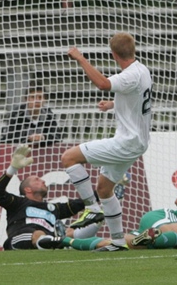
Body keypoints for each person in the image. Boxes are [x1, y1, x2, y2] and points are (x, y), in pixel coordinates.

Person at [61, 32, 153, 252]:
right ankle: (118, 241)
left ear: (113, 54)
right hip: (136, 141)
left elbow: (102, 83)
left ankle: (92, 208)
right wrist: (113, 104)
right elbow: (135, 98)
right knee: (104, 188)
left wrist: (81, 58)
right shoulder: (142, 70)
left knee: (69, 157)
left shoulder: (129, 75)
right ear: (133, 49)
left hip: (127, 142)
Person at [0, 145, 103, 250]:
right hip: (20, 239)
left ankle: (112, 243)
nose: (43, 181)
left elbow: (78, 203)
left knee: (94, 218)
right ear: (27, 189)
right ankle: (67, 243)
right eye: (37, 180)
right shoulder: (18, 203)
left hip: (48, 243)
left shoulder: (53, 208)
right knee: (39, 234)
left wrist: (104, 193)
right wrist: (12, 169)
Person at [0, 82, 62, 147]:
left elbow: (58, 136)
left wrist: (43, 137)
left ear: (44, 100)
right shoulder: (16, 115)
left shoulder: (49, 115)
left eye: (40, 97)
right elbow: (5, 139)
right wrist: (29, 139)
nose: (37, 101)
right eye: (33, 97)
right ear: (26, 99)